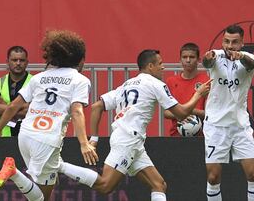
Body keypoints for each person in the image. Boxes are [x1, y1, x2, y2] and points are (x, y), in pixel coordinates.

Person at [0, 30, 99, 201]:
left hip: (25, 135)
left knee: (48, 184)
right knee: (41, 199)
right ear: (81, 59)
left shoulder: (39, 78)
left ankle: (14, 171)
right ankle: (13, 172)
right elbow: (76, 110)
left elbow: (12, 107)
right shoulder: (80, 80)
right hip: (46, 139)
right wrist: (84, 143)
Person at [88, 49, 212, 201]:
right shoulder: (156, 84)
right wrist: (198, 94)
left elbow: (96, 107)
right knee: (106, 185)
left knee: (159, 185)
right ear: (150, 66)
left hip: (132, 141)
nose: (163, 67)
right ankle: (62, 167)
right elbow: (181, 113)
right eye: (160, 64)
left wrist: (94, 138)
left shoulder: (126, 85)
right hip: (128, 140)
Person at [201, 24, 254, 201]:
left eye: (234, 42)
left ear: (242, 43)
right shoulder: (216, 55)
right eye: (226, 41)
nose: (230, 45)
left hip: (240, 126)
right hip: (215, 126)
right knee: (213, 177)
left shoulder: (248, 58)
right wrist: (208, 58)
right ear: (222, 41)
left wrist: (240, 56)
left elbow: (249, 63)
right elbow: (207, 62)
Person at [164, 43, 209, 136]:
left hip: (201, 136)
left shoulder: (206, 81)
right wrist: (182, 114)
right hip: (176, 135)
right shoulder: (171, 81)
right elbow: (166, 113)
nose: (188, 60)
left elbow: (211, 113)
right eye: (184, 57)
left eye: (192, 57)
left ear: (198, 60)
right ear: (180, 60)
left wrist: (187, 112)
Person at [0, 46, 32, 137]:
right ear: (7, 62)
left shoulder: (35, 82)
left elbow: (32, 111)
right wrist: (20, 108)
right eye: (14, 60)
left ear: (27, 62)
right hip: (4, 136)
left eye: (22, 60)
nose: (18, 63)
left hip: (29, 136)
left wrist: (5, 105)